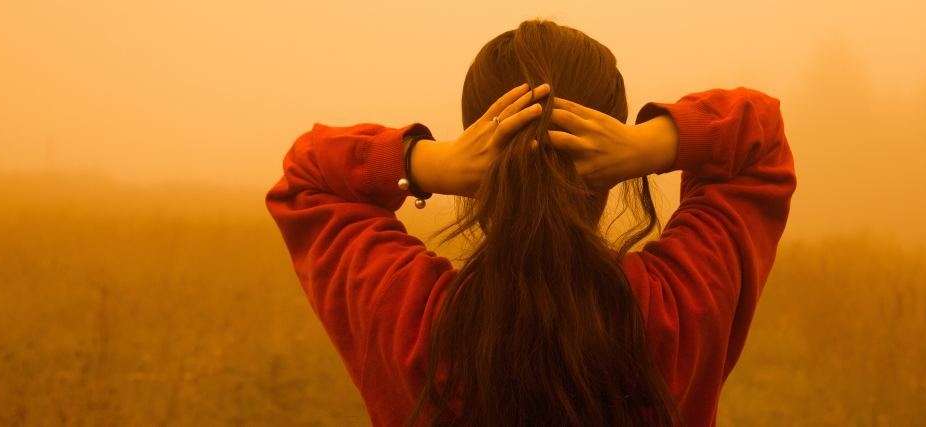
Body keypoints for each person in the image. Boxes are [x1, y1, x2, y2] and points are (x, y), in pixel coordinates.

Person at [266, 19, 796, 427]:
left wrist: (426, 163)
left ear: (477, 150)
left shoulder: (410, 320)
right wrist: (648, 146)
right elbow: (760, 137)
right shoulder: (680, 309)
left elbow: (308, 177)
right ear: (610, 157)